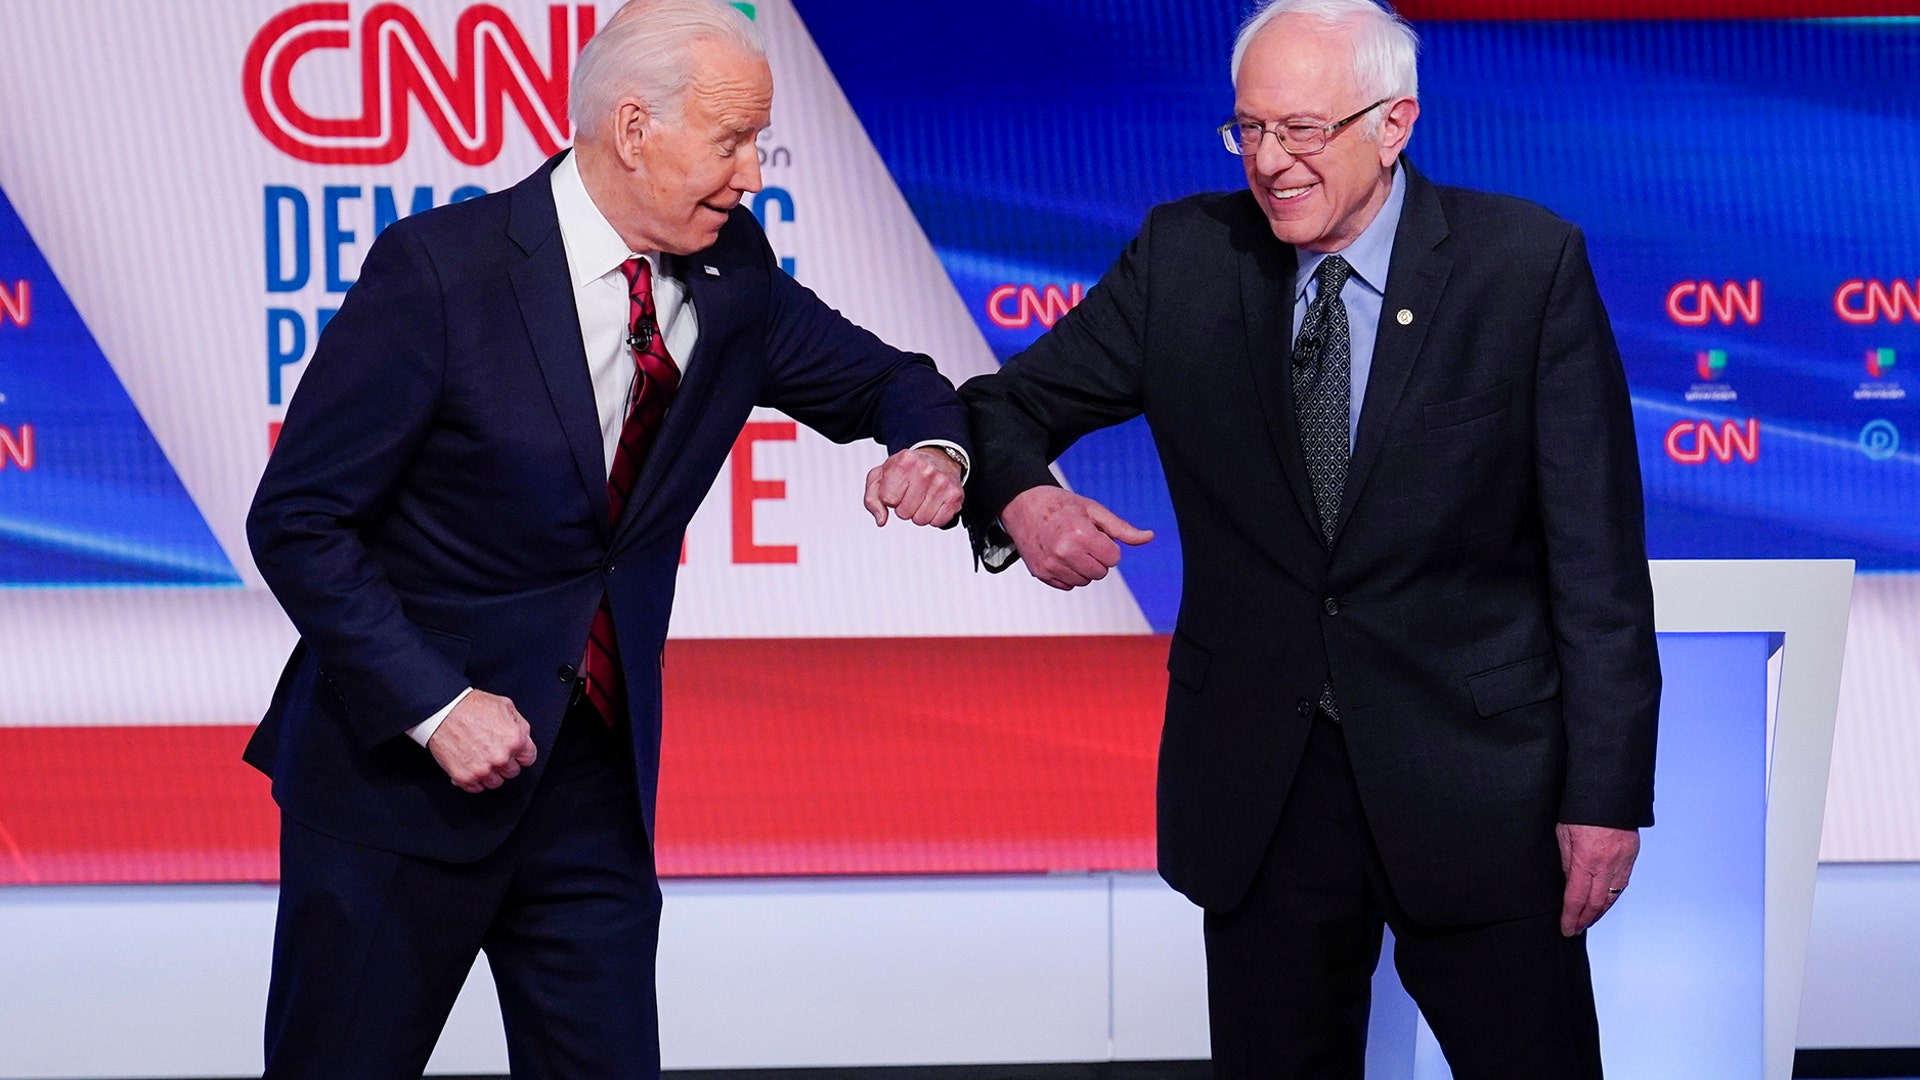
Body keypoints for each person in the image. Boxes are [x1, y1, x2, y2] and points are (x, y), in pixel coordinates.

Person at [244, 1, 969, 1074]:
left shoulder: (733, 274)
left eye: (757, 143)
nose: (752, 173)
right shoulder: (442, 272)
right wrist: (436, 707)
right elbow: (298, 520)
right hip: (398, 783)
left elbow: (890, 380)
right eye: (729, 142)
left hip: (589, 790)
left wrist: (935, 452)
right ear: (634, 129)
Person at [960, 0, 1660, 1075]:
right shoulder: (1186, 257)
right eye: (1248, 130)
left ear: (1394, 125)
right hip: (1263, 793)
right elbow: (1002, 408)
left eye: (1302, 131)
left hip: (1478, 790)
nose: (1271, 164)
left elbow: (1598, 566)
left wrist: (1606, 797)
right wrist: (1026, 499)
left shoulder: (1522, 267)